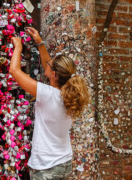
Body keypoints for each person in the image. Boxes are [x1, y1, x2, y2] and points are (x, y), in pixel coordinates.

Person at [9, 27, 90, 180]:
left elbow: (14, 71)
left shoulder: (48, 94)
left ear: (54, 74)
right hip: (64, 162)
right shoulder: (68, 95)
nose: (47, 63)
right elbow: (49, 65)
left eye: (49, 65)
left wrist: (18, 47)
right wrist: (40, 43)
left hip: (47, 167)